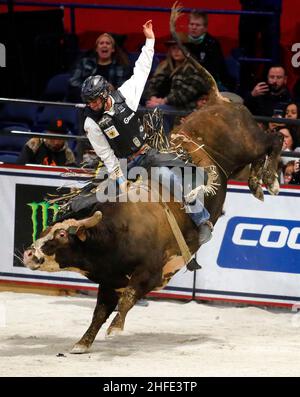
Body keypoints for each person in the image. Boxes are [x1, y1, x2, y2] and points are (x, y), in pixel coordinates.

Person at [81, 20, 212, 249]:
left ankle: (202, 222)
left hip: (147, 154)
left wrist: (150, 40)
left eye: (94, 100)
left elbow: (141, 69)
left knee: (175, 179)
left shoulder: (125, 96)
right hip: (120, 163)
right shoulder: (91, 123)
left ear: (104, 94)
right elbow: (105, 154)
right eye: (88, 102)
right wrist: (120, 180)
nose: (91, 105)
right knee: (96, 196)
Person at [144, 33, 209, 131]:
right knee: (147, 108)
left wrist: (162, 101)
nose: (176, 51)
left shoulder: (194, 69)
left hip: (186, 109)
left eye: (180, 48)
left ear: (187, 50)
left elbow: (184, 96)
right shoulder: (164, 67)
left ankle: (163, 142)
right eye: (173, 48)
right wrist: (152, 98)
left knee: (159, 110)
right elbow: (150, 87)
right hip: (163, 106)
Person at [67, 32, 131, 102]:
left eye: (108, 43)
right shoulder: (84, 62)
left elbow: (126, 89)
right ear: (96, 49)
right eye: (101, 43)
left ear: (113, 49)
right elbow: (73, 81)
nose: (104, 45)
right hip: (84, 102)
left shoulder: (121, 67)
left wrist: (113, 89)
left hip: (110, 104)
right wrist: (91, 89)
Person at [186, 10, 229, 89]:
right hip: (186, 81)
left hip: (210, 83)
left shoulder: (213, 44)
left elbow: (215, 70)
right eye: (191, 24)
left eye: (198, 25)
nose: (194, 27)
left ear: (205, 28)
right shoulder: (181, 42)